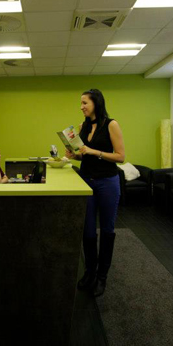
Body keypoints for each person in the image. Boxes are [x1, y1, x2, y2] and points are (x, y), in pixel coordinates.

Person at [65, 89, 125, 297]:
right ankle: (90, 272)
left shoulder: (111, 125)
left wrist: (94, 151)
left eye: (85, 103)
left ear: (96, 103)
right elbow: (84, 156)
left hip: (107, 182)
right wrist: (74, 155)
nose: (81, 107)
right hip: (86, 181)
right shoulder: (82, 127)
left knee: (107, 230)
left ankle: (102, 277)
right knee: (88, 232)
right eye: (81, 103)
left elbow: (120, 156)